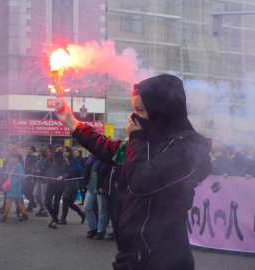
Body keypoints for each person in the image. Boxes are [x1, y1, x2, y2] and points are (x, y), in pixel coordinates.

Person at [55, 74, 212, 269]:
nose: (134, 116)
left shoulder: (187, 147)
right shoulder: (147, 140)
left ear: (160, 110)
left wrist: (136, 137)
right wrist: (72, 122)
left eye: (140, 110)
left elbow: (141, 181)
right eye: (134, 109)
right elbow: (111, 150)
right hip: (133, 255)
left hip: (163, 256)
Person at [82, 154, 110, 240]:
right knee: (86, 207)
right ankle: (93, 228)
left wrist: (103, 186)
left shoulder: (105, 159)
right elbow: (86, 173)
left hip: (99, 187)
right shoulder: (90, 158)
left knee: (101, 210)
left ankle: (100, 231)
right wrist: (84, 185)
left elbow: (107, 175)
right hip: (91, 186)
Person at [0, 153, 29, 222]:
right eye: (9, 158)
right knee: (17, 201)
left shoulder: (19, 165)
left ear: (16, 158)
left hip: (15, 186)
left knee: (9, 201)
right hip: (10, 185)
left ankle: (5, 216)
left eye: (12, 158)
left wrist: (13, 183)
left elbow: (20, 177)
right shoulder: (9, 165)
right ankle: (24, 214)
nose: (10, 159)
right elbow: (8, 175)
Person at [58, 146, 86, 225]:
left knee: (65, 199)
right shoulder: (66, 160)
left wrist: (63, 176)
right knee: (69, 202)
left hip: (73, 182)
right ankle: (81, 213)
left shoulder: (72, 160)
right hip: (69, 182)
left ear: (69, 152)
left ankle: (63, 219)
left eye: (66, 151)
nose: (64, 153)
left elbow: (73, 171)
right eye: (63, 151)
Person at [41, 145, 66, 229]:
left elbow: (70, 172)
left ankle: (54, 220)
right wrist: (46, 174)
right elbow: (42, 167)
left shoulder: (64, 160)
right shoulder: (49, 159)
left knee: (56, 203)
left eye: (61, 150)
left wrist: (63, 176)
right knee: (47, 202)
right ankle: (55, 218)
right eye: (57, 150)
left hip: (60, 184)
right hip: (51, 183)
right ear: (54, 150)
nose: (59, 151)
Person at [33, 147, 49, 216]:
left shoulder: (46, 160)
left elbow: (47, 170)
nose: (37, 152)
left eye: (38, 151)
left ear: (42, 152)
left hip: (44, 179)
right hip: (38, 178)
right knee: (35, 194)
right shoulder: (37, 159)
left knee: (43, 195)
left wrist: (40, 171)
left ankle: (45, 210)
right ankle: (42, 207)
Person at [23, 145, 38, 212]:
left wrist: (28, 170)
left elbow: (33, 166)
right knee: (25, 191)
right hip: (26, 175)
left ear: (32, 150)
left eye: (29, 149)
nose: (28, 150)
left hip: (31, 176)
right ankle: (32, 203)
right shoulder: (28, 156)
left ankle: (31, 204)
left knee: (28, 191)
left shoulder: (34, 157)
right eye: (27, 149)